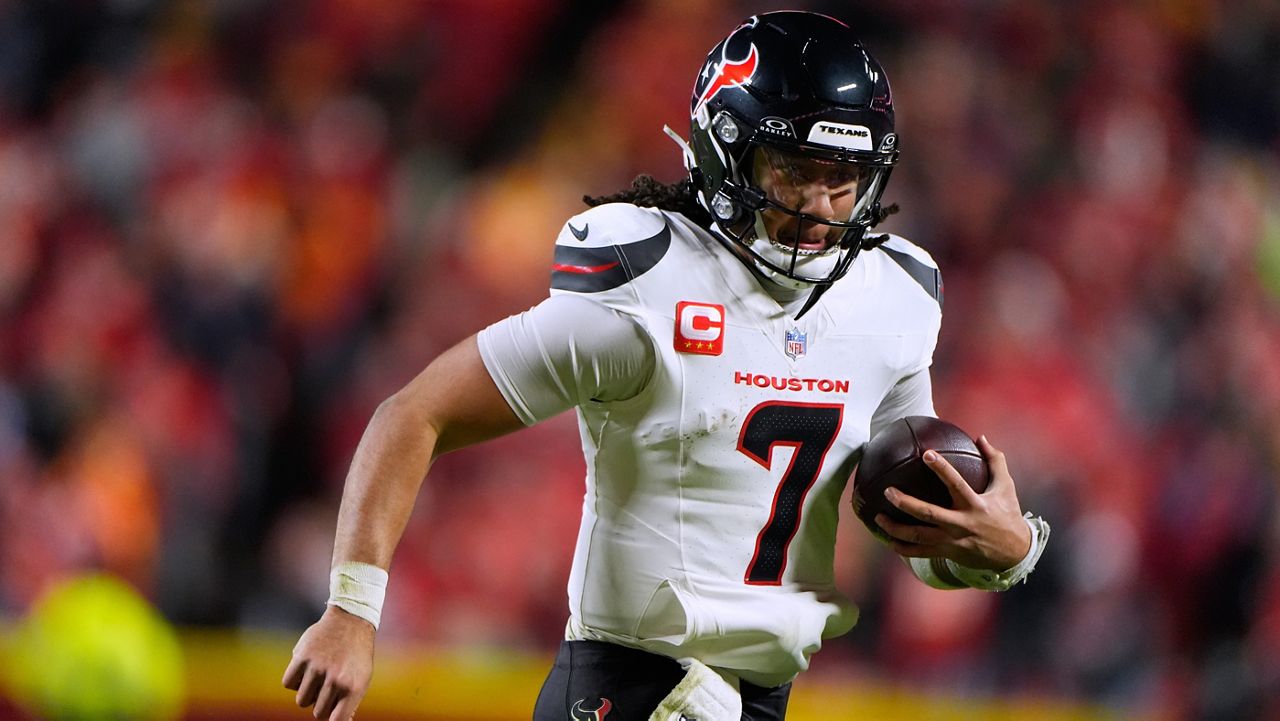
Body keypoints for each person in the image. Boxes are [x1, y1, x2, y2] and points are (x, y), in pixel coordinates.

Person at [282, 11, 1049, 721]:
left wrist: (1002, 552)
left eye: (841, 179)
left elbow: (911, 524)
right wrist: (352, 608)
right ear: (727, 153)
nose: (818, 208)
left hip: (760, 696)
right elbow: (416, 412)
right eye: (792, 171)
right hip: (632, 686)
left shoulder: (893, 297)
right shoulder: (652, 285)